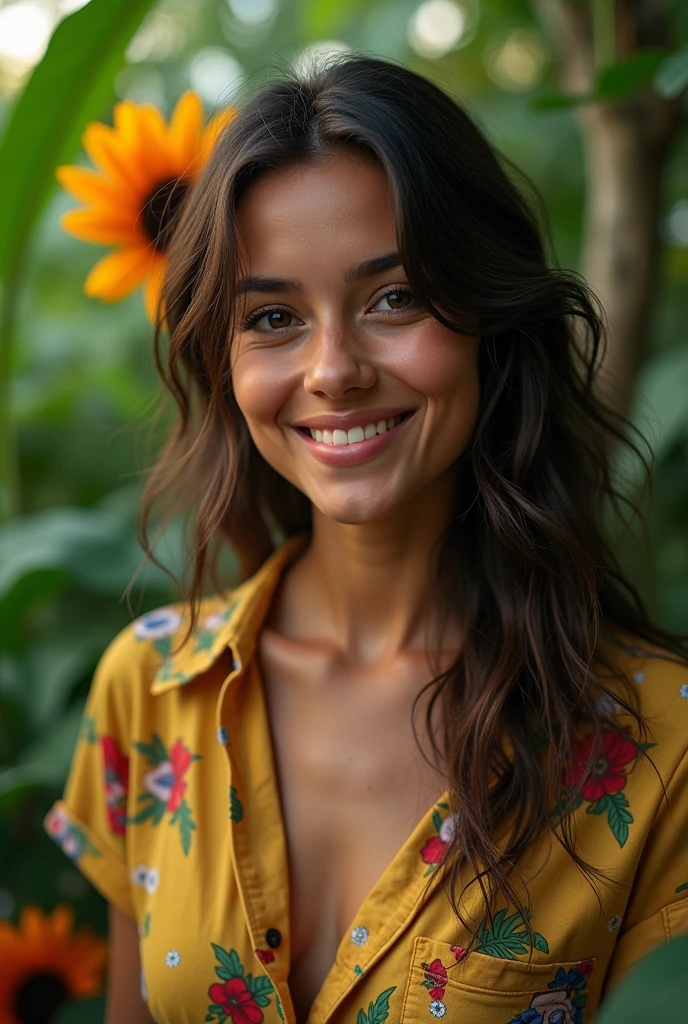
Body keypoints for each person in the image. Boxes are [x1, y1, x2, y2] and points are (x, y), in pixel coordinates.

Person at [44, 55, 688, 1024]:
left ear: (488, 319)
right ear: (224, 363)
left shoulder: (658, 744)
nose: (333, 369)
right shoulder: (151, 691)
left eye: (394, 298)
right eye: (272, 317)